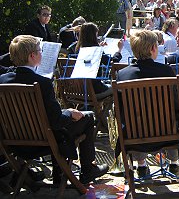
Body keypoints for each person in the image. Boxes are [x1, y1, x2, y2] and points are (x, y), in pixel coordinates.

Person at [0, 35, 108, 184]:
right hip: (45, 141)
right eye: (40, 50)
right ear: (32, 56)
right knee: (88, 117)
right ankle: (87, 170)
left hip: (14, 143)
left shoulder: (2, 81)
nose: (41, 53)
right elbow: (56, 121)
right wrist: (70, 112)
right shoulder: (42, 83)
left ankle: (59, 174)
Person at [116, 30, 179, 177]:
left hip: (135, 137)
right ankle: (174, 162)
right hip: (167, 133)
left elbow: (121, 110)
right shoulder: (166, 71)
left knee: (135, 118)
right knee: (170, 115)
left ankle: (142, 165)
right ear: (153, 48)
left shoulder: (123, 75)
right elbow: (175, 103)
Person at [75, 22, 123, 98]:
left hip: (79, 90)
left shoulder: (78, 49)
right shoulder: (96, 51)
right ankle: (107, 109)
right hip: (95, 90)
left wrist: (99, 47)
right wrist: (119, 49)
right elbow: (112, 62)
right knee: (116, 87)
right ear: (93, 36)